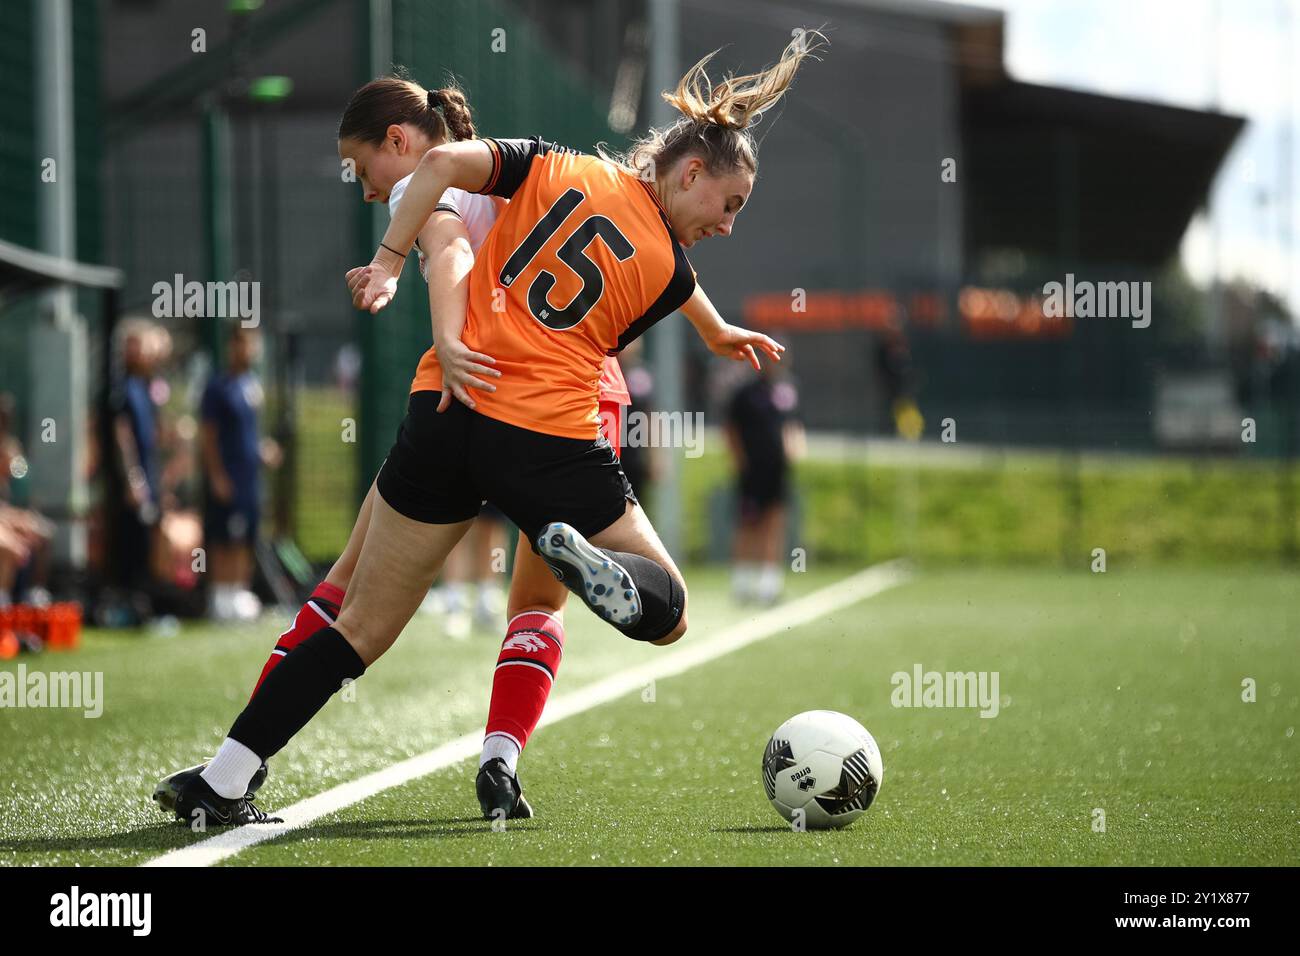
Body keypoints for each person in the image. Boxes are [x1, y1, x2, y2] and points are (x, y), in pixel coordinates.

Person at [168, 32, 817, 826]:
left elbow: (440, 170)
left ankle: (226, 777)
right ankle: (585, 570)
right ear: (690, 173)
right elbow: (675, 279)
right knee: (671, 609)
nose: (728, 223)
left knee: (360, 626)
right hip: (549, 437)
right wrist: (717, 333)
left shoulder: (554, 162)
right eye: (729, 205)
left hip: (445, 410)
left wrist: (386, 261)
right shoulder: (670, 271)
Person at [200, 326, 278, 622]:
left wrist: (263, 451)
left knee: (245, 537)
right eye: (244, 344)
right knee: (224, 538)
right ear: (233, 346)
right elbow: (208, 438)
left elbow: (249, 433)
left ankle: (239, 594)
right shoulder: (218, 388)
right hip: (228, 476)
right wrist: (217, 475)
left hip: (250, 478)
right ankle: (220, 596)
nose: (250, 350)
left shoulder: (251, 385)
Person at [726, 362, 804, 604]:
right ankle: (742, 582)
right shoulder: (744, 393)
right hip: (752, 472)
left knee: (775, 522)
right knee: (748, 524)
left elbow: (793, 423)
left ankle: (769, 585)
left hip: (778, 471)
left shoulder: (786, 391)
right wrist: (739, 460)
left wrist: (796, 447)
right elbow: (731, 429)